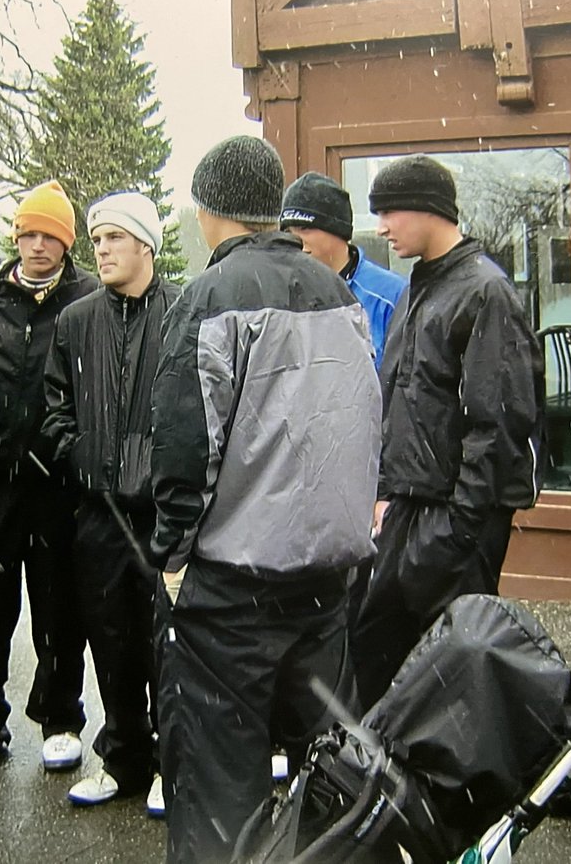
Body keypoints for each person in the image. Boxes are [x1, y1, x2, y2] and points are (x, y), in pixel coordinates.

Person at [150, 136, 381, 864]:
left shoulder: (209, 299)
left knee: (220, 793)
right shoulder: (336, 291)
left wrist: (172, 556)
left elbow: (186, 448)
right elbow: (357, 424)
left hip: (231, 595)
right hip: (322, 588)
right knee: (327, 782)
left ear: (206, 210)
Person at [351, 155, 547, 710]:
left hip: (456, 520)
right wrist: (389, 495)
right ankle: (382, 781)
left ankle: (458, 789)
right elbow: (403, 403)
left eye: (390, 210)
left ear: (429, 209)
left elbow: (500, 420)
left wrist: (462, 526)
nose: (382, 226)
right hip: (409, 511)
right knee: (374, 654)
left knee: (453, 672)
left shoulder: (485, 292)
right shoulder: (420, 287)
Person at [0, 180, 98, 773]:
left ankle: (61, 718)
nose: (37, 246)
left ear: (66, 243)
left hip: (59, 486)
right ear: (16, 237)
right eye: (28, 234)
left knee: (61, 609)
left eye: (50, 237)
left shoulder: (85, 297)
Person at [41, 191, 180, 815]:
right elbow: (54, 408)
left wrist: (158, 469)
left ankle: (169, 768)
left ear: (145, 245)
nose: (100, 249)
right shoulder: (75, 321)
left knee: (167, 647)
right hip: (97, 515)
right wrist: (80, 455)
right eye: (95, 240)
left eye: (113, 238)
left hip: (161, 517)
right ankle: (122, 758)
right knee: (112, 644)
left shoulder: (182, 312)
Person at [279, 171, 407, 368]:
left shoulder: (392, 296)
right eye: (287, 231)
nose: (295, 240)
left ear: (338, 232)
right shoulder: (278, 297)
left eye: (304, 229)